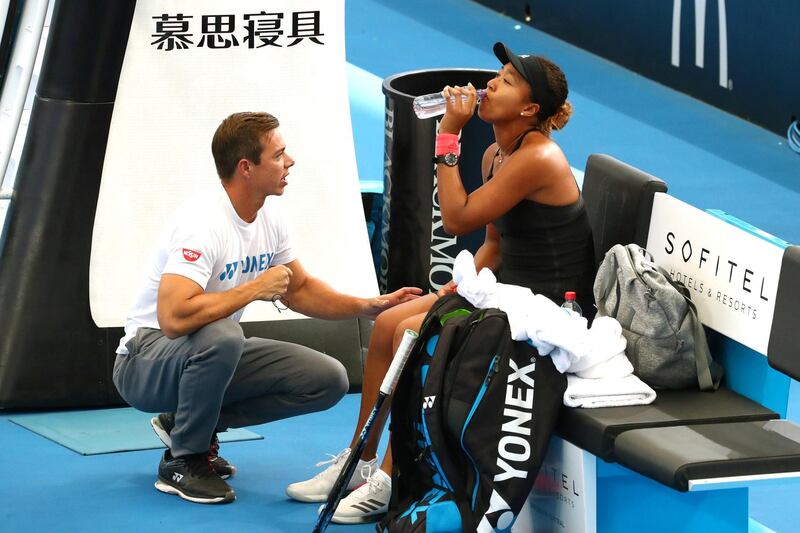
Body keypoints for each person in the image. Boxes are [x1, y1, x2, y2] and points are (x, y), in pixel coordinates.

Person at [286, 42, 596, 524]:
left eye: (507, 81)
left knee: (413, 333)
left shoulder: (541, 159)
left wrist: (448, 132)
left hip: (549, 308)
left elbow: (455, 220)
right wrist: (462, 288)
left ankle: (391, 479)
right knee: (389, 322)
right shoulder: (497, 152)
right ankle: (359, 463)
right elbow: (493, 240)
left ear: (531, 109)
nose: (491, 84)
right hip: (506, 288)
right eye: (497, 75)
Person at [112, 111, 422, 505]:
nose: (289, 162)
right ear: (246, 167)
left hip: (204, 351)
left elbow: (301, 289)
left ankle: (187, 425)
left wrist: (369, 306)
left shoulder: (269, 214)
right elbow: (173, 318)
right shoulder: (202, 223)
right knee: (224, 334)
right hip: (144, 361)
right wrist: (254, 289)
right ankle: (183, 461)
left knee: (327, 379)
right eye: (278, 155)